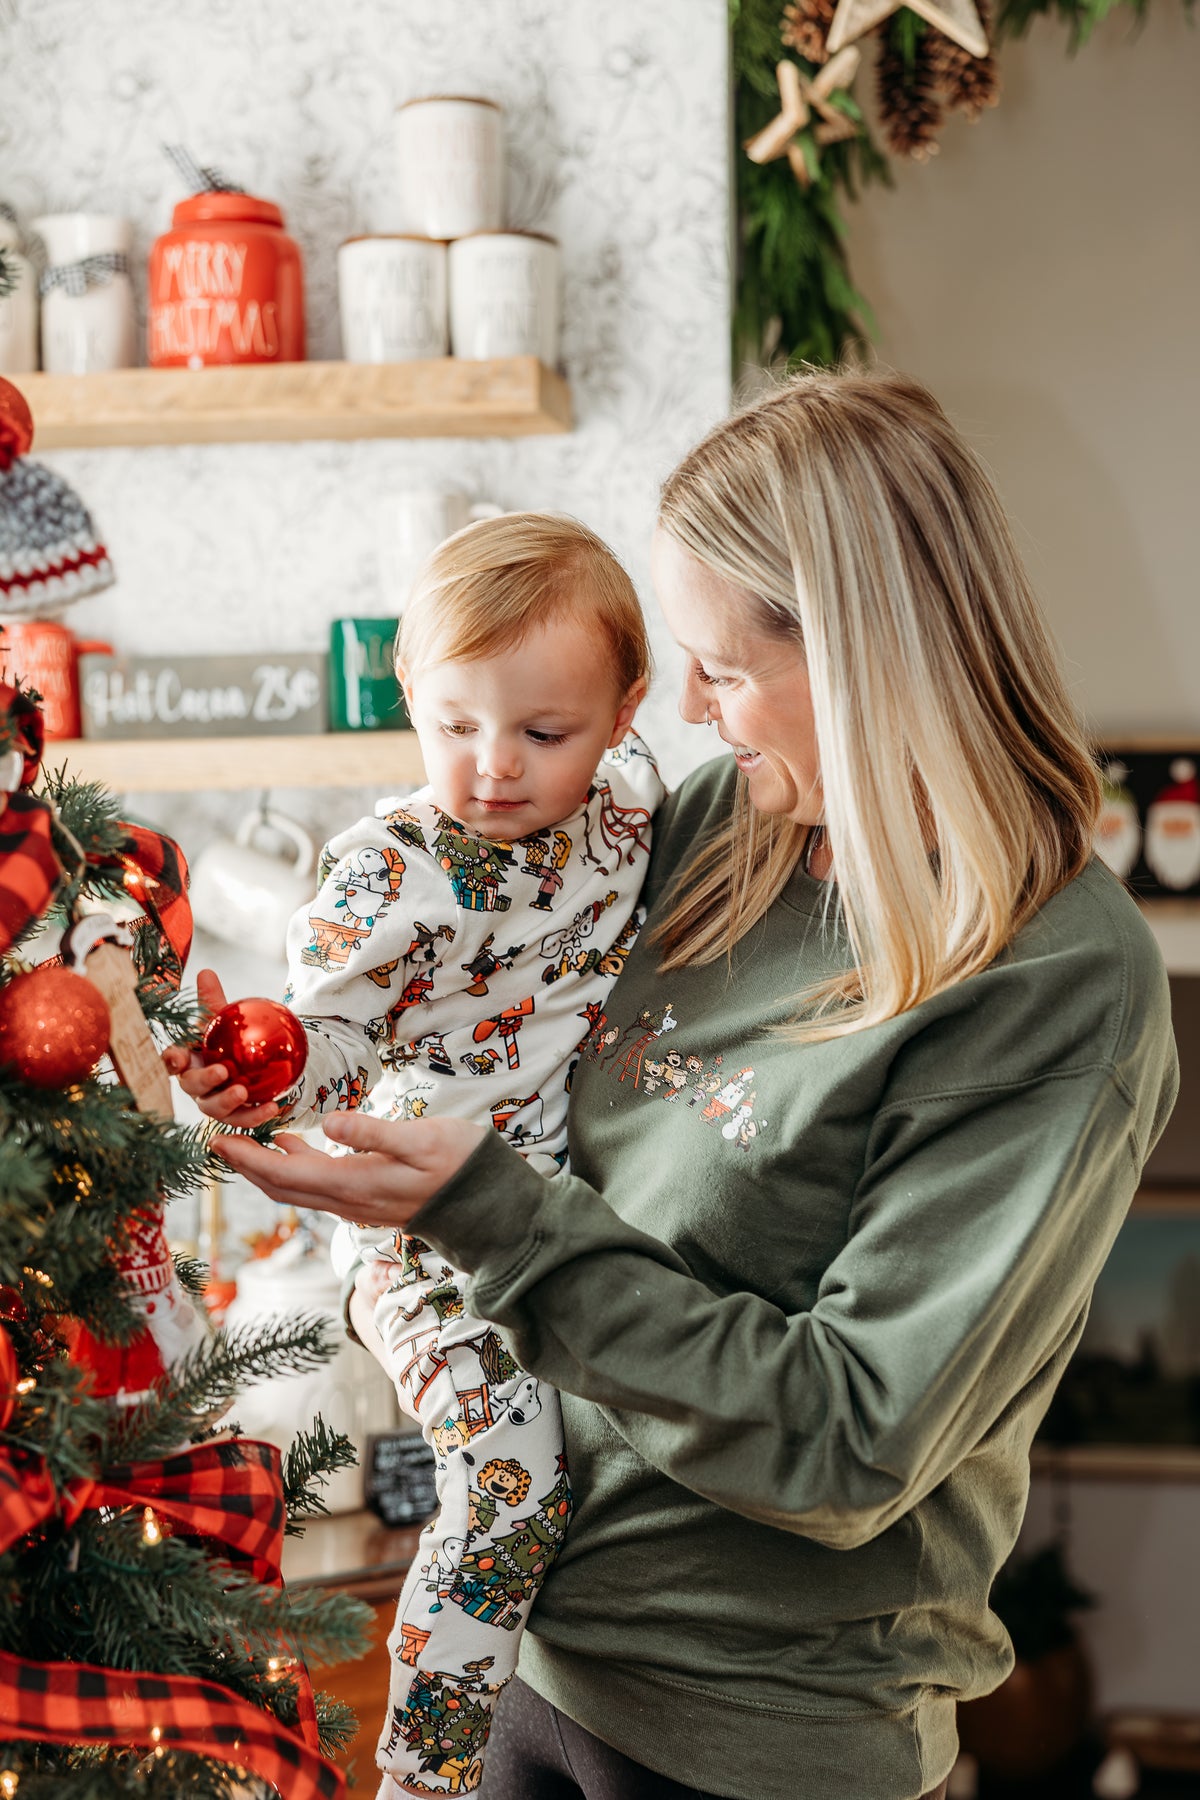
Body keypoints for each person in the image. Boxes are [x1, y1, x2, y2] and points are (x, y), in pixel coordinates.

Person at [210, 370, 1178, 1800]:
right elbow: (501, 991)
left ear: (862, 652)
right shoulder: (734, 823)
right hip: (534, 1658)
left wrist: (490, 1221)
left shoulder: (1053, 987)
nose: (700, 717)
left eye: (723, 671)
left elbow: (849, 1440)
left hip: (756, 1736)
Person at [166, 512, 663, 1799]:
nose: (491, 767)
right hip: (422, 1234)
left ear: (626, 713)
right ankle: (425, 1774)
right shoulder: (387, 873)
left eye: (541, 732)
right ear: (412, 703)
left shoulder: (636, 813)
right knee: (513, 1487)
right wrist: (259, 1061)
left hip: (576, 1213)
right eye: (454, 725)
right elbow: (330, 1038)